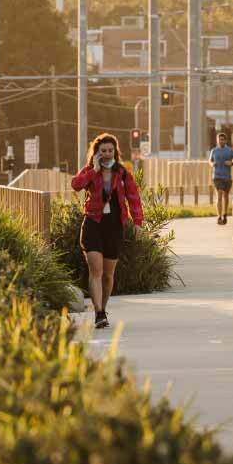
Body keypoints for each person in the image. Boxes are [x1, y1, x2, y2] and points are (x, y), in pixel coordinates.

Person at [72, 133, 144, 329]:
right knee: (96, 269)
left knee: (108, 275)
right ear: (97, 152)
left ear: (115, 152)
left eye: (110, 150)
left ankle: (103, 307)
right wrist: (93, 170)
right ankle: (99, 313)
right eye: (102, 151)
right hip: (93, 224)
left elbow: (133, 197)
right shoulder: (90, 171)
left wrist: (138, 221)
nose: (106, 154)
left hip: (114, 226)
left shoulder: (122, 173)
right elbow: (76, 185)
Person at [209, 131, 233, 225]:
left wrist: (232, 163)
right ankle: (219, 216)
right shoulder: (214, 151)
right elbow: (210, 161)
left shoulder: (230, 151)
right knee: (219, 194)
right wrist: (212, 164)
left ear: (225, 141)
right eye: (219, 139)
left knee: (226, 196)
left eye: (222, 140)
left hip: (227, 177)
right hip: (217, 176)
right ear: (217, 140)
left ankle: (225, 214)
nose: (220, 141)